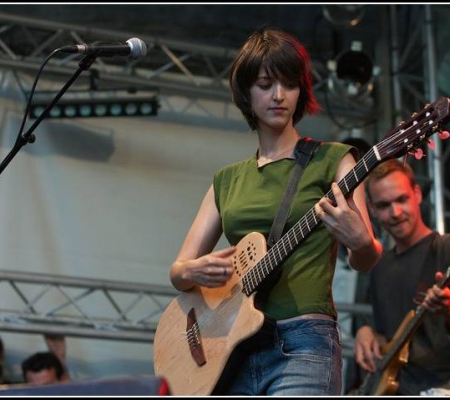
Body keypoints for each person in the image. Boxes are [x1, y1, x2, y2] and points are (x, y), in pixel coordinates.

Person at [168, 27, 382, 396]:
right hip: (231, 346)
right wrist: (192, 269)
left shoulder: (335, 159)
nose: (279, 95)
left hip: (303, 342)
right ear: (246, 92)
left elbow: (365, 258)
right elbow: (178, 272)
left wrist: (362, 243)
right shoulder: (227, 180)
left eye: (289, 84)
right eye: (266, 84)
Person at [353, 158, 450, 395]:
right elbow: (384, 331)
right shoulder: (379, 266)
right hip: (392, 387)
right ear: (372, 210)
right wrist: (365, 333)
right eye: (384, 205)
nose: (395, 213)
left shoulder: (445, 248)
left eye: (402, 199)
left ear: (417, 194)